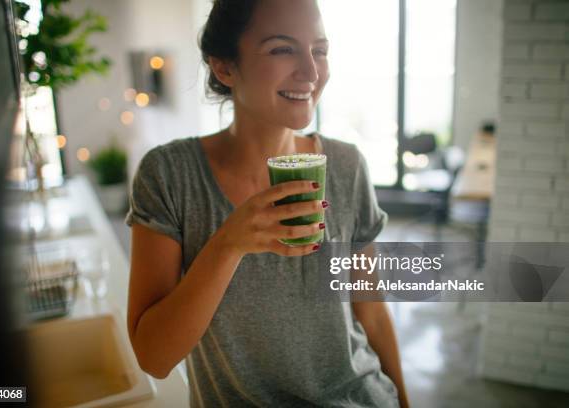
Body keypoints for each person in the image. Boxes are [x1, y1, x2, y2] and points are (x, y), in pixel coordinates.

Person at [125, 0, 409, 406]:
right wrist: (228, 244)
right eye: (282, 49)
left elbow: (372, 313)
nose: (311, 72)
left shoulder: (346, 166)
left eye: (320, 50)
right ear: (224, 67)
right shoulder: (170, 176)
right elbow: (153, 357)